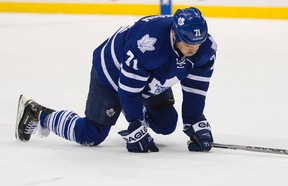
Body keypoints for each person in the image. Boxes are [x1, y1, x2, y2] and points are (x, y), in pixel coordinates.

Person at [15, 7, 217, 153]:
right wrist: (135, 124)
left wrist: (194, 120)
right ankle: (37, 114)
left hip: (151, 76)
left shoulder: (206, 49)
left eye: (198, 43)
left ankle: (140, 111)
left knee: (166, 124)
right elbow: (128, 90)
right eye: (188, 42)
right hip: (112, 74)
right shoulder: (148, 45)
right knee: (91, 135)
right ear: (174, 34)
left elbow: (196, 88)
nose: (194, 49)